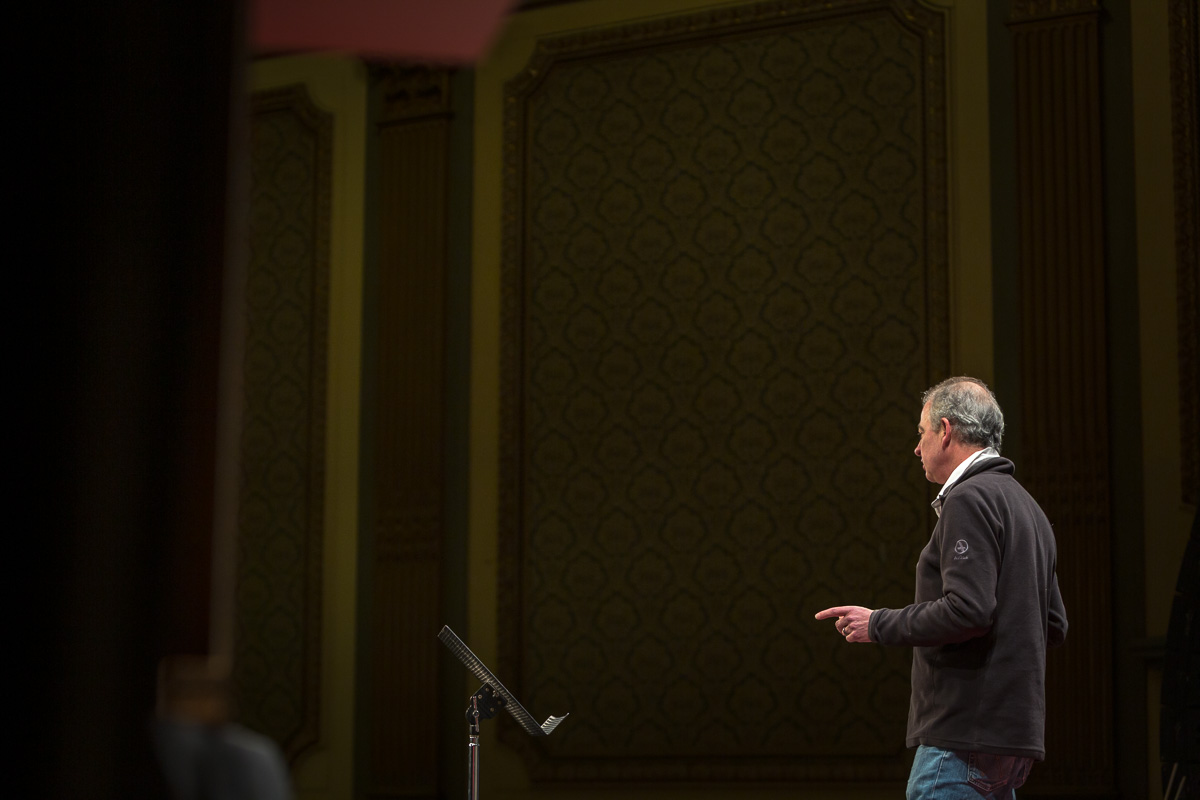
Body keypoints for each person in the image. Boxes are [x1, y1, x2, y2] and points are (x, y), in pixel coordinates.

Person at [815, 376, 1067, 799]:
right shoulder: (1030, 508)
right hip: (1011, 745)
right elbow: (1054, 625)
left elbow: (968, 610)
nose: (917, 448)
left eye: (922, 432)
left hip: (961, 738)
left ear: (945, 431)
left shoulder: (969, 499)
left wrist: (876, 623)